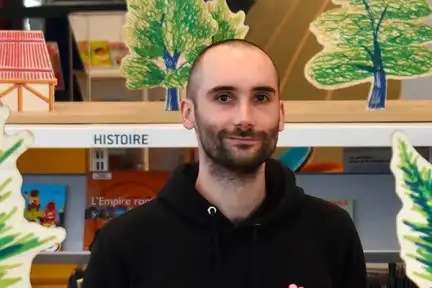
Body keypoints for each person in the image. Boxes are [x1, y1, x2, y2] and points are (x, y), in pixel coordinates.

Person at [82, 39, 367, 288]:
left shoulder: (331, 233)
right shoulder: (123, 245)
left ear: (280, 114)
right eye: (223, 97)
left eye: (261, 97)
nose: (244, 118)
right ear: (188, 112)